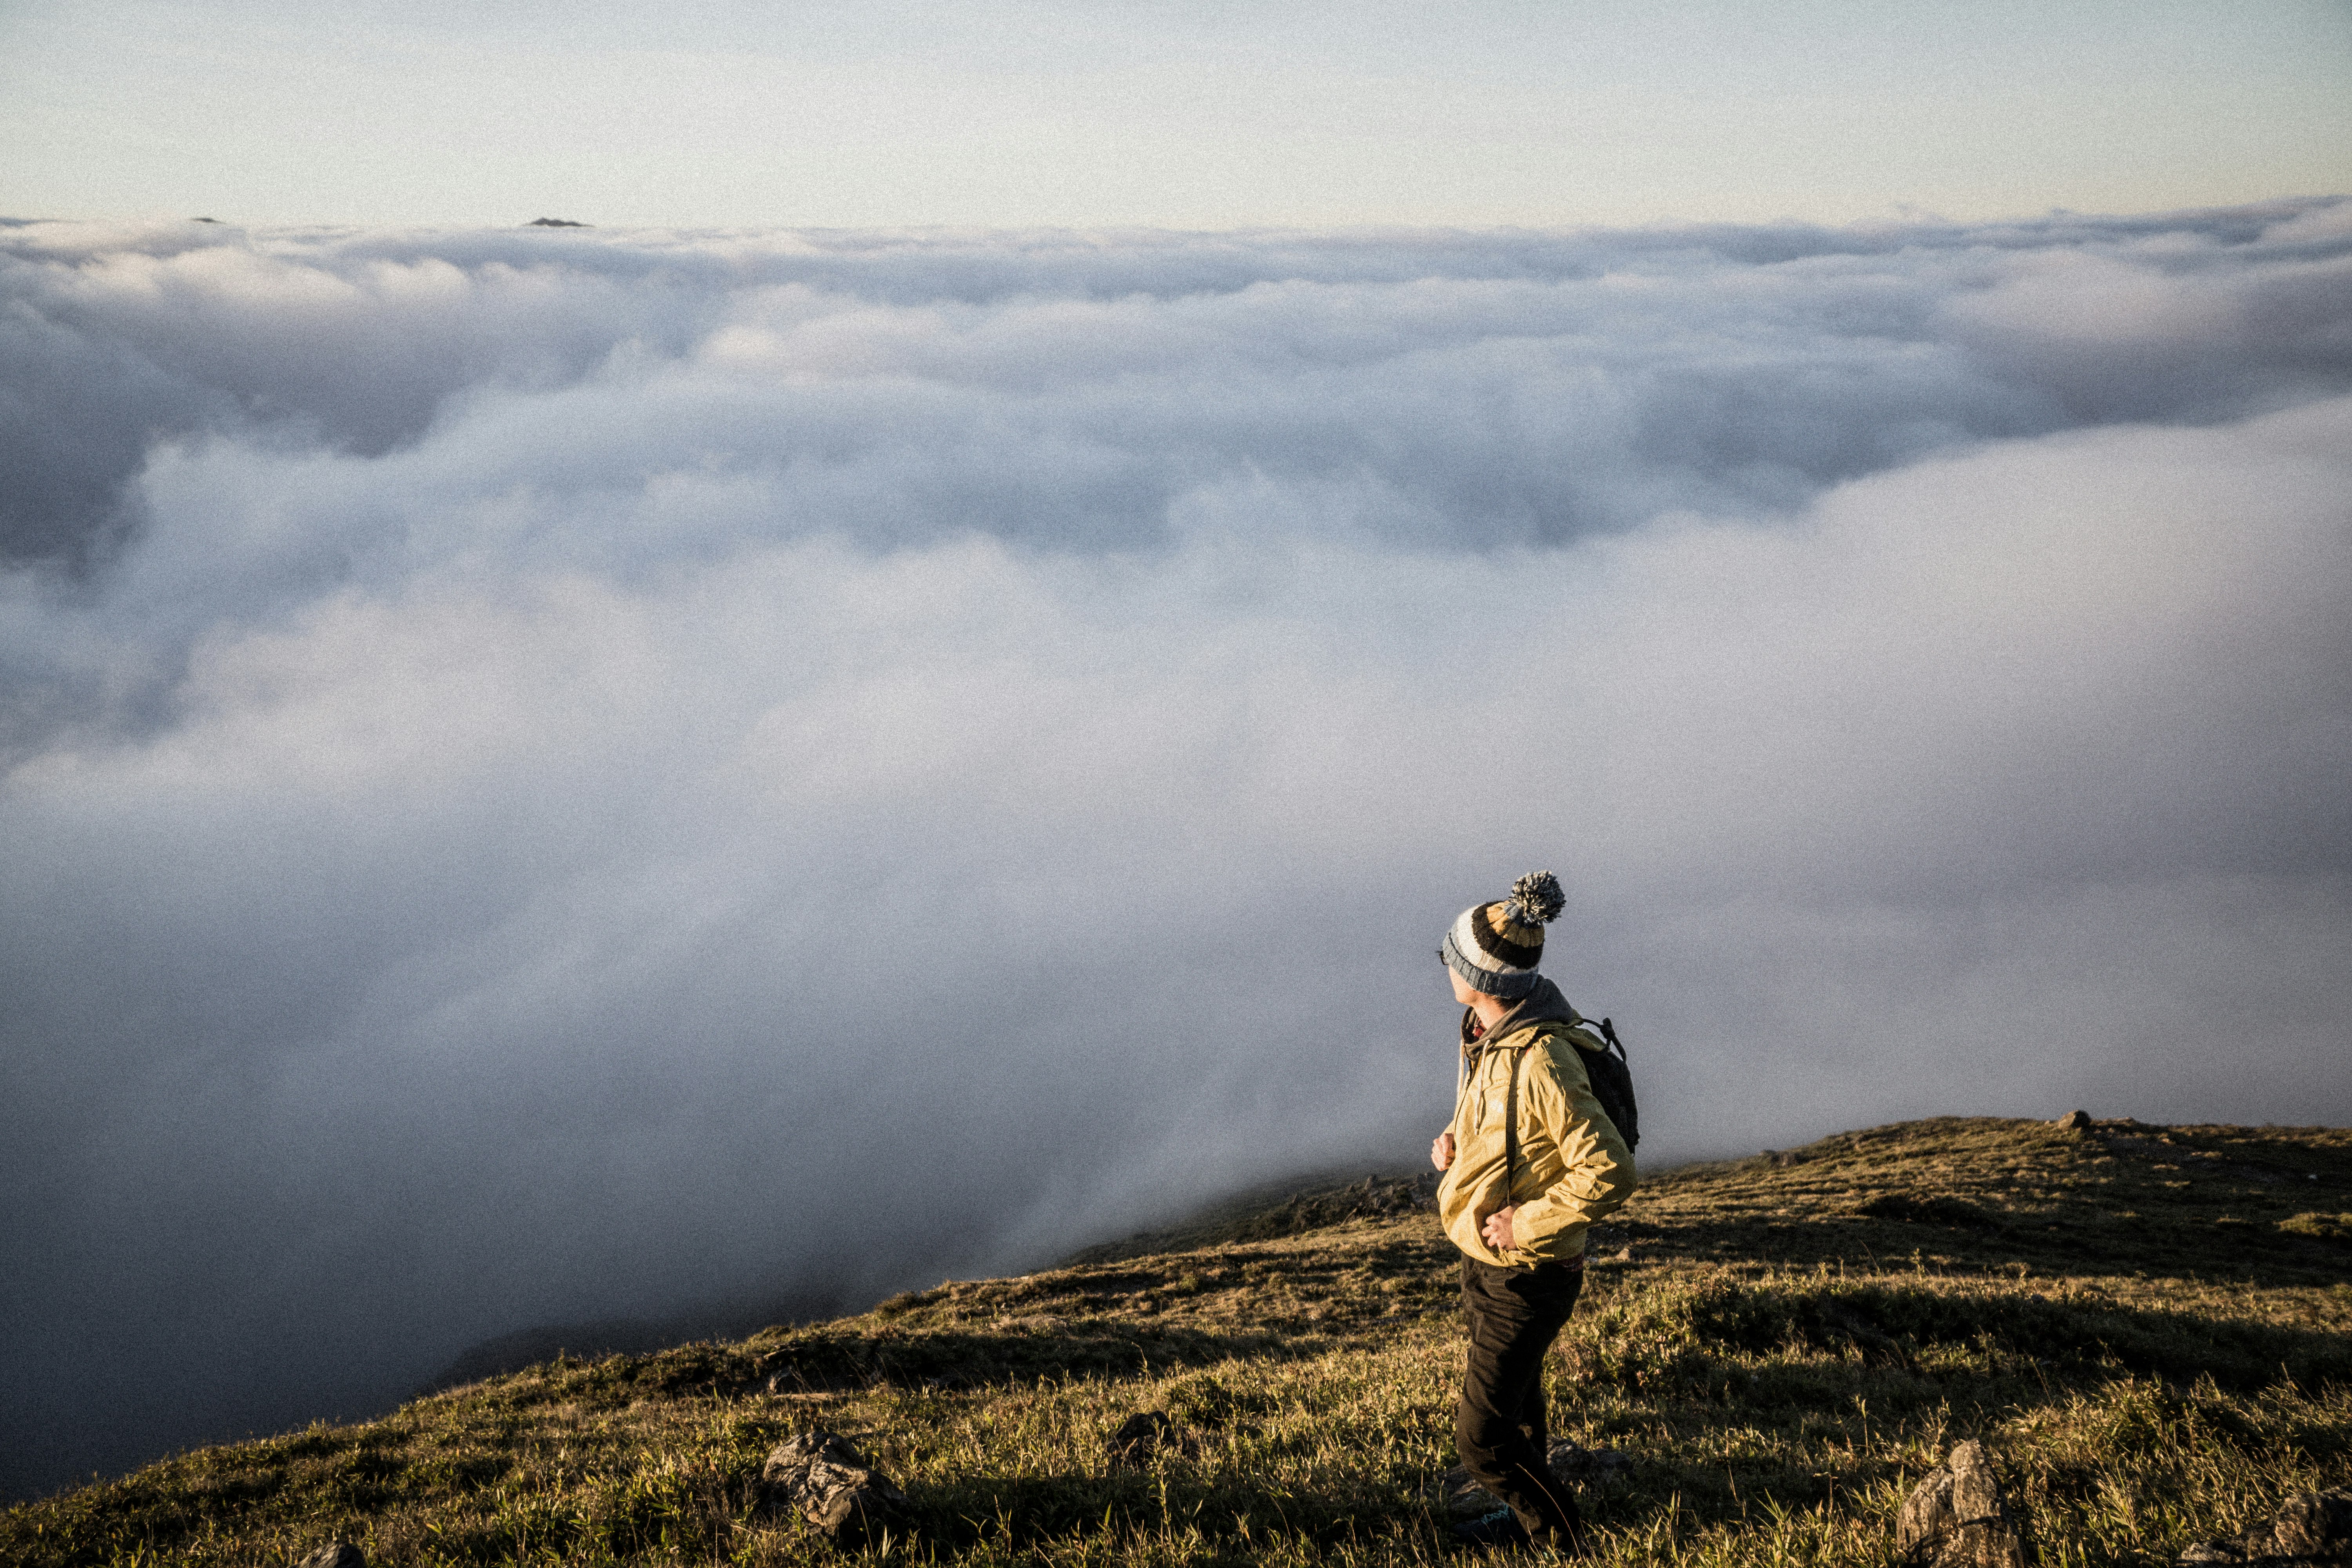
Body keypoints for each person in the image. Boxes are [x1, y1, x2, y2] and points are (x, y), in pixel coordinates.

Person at [1430, 870, 1635, 1554]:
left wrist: (1526, 1224)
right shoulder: (1488, 1030)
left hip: (1531, 1270)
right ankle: (1526, 1528)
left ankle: (1565, 1540)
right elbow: (1507, 1127)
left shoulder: (1543, 1056)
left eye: (1452, 957)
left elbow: (1609, 1169)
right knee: (1518, 1405)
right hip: (1486, 1262)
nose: (1444, 964)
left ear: (1481, 977)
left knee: (1483, 1441)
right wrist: (1458, 1148)